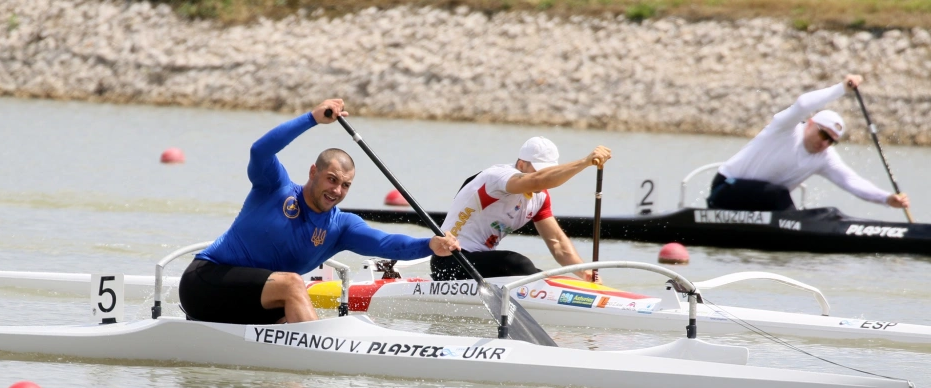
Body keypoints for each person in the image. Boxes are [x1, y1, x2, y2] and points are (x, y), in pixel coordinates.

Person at [179, 98, 460, 325]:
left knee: (289, 340)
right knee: (292, 284)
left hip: (252, 304)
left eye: (345, 185)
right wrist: (311, 119)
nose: (337, 190)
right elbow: (260, 151)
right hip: (205, 284)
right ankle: (321, 357)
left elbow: (387, 243)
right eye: (332, 179)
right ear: (314, 172)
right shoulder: (274, 187)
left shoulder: (341, 227)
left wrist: (431, 245)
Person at [706, 74, 911, 212]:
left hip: (760, 204)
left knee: (785, 199)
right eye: (824, 135)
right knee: (778, 195)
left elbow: (851, 182)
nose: (825, 144)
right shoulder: (786, 128)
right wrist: (841, 88)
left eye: (832, 141)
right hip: (725, 190)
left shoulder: (825, 158)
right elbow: (803, 103)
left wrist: (887, 199)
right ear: (811, 123)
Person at [430, 136, 612, 283]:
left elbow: (557, 242)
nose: (545, 175)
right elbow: (538, 180)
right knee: (518, 263)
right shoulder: (498, 177)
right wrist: (585, 162)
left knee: (549, 278)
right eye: (540, 170)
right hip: (449, 260)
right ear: (521, 164)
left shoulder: (540, 197)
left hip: (480, 264)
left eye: (550, 170)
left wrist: (584, 272)